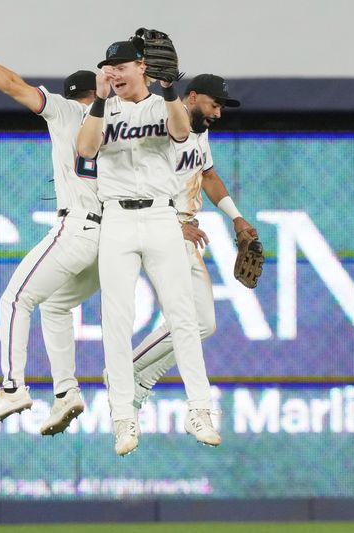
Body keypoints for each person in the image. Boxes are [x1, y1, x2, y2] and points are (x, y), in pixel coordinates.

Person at [0, 24, 100, 435]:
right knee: (55, 305)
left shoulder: (68, 110)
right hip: (114, 239)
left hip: (79, 229)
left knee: (15, 300)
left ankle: (14, 387)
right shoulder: (123, 122)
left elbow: (13, 85)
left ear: (73, 97)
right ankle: (66, 391)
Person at [77, 39, 220, 456]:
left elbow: (180, 132)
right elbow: (86, 150)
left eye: (121, 66)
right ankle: (123, 418)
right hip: (117, 218)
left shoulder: (164, 105)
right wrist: (100, 101)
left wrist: (170, 90)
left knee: (183, 317)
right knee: (116, 322)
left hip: (161, 216)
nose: (114, 73)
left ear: (142, 67)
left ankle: (200, 410)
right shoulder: (102, 109)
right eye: (109, 68)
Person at [126, 74, 258, 407]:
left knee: (202, 324)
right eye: (214, 105)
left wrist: (236, 217)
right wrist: (170, 223)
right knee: (191, 322)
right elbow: (139, 181)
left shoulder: (200, 131)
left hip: (183, 231)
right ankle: (122, 372)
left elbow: (208, 175)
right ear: (194, 96)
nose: (218, 113)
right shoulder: (164, 128)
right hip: (163, 230)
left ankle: (140, 380)